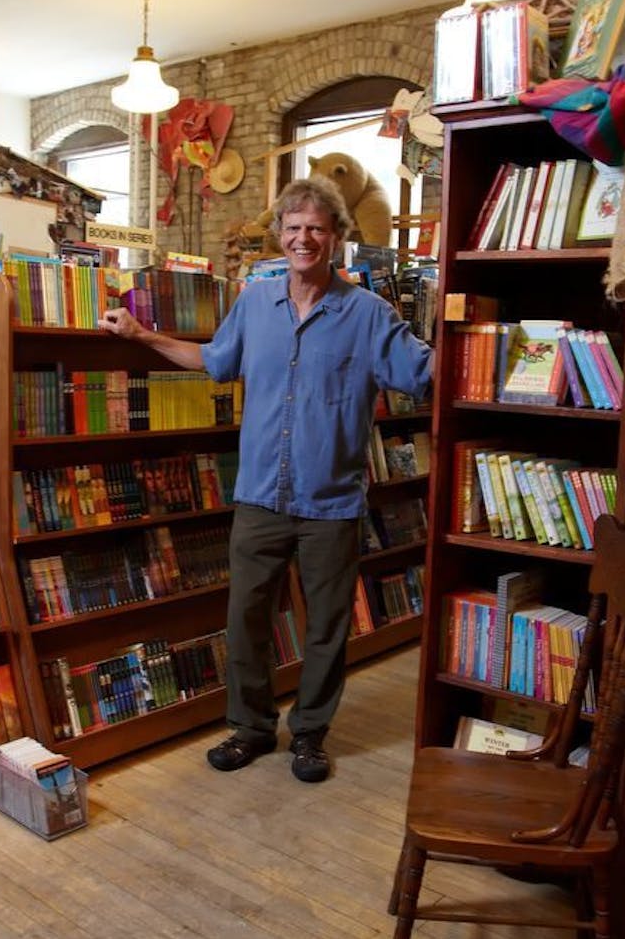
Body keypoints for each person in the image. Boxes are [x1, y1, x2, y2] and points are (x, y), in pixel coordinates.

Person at [98, 177, 433, 782]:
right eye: (293, 227)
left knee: (327, 628)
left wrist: (483, 330)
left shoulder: (369, 314)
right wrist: (142, 335)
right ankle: (251, 727)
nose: (304, 238)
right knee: (246, 618)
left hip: (331, 502)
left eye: (317, 228)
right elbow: (214, 361)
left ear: (336, 238)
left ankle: (309, 734)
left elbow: (423, 373)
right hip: (260, 496)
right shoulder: (254, 303)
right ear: (280, 236)